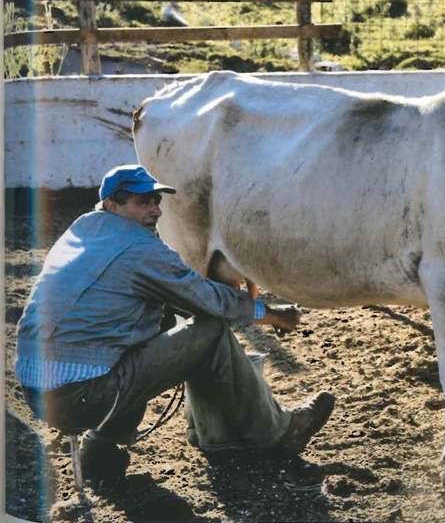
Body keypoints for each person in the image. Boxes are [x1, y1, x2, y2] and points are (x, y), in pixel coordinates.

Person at [15, 164, 335, 488]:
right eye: (142, 202)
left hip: (38, 389)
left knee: (155, 325)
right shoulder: (139, 249)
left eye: (156, 201)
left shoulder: (84, 229)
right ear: (112, 204)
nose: (155, 210)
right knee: (208, 328)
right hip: (83, 396)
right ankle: (277, 433)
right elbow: (208, 299)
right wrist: (272, 314)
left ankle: (101, 451)